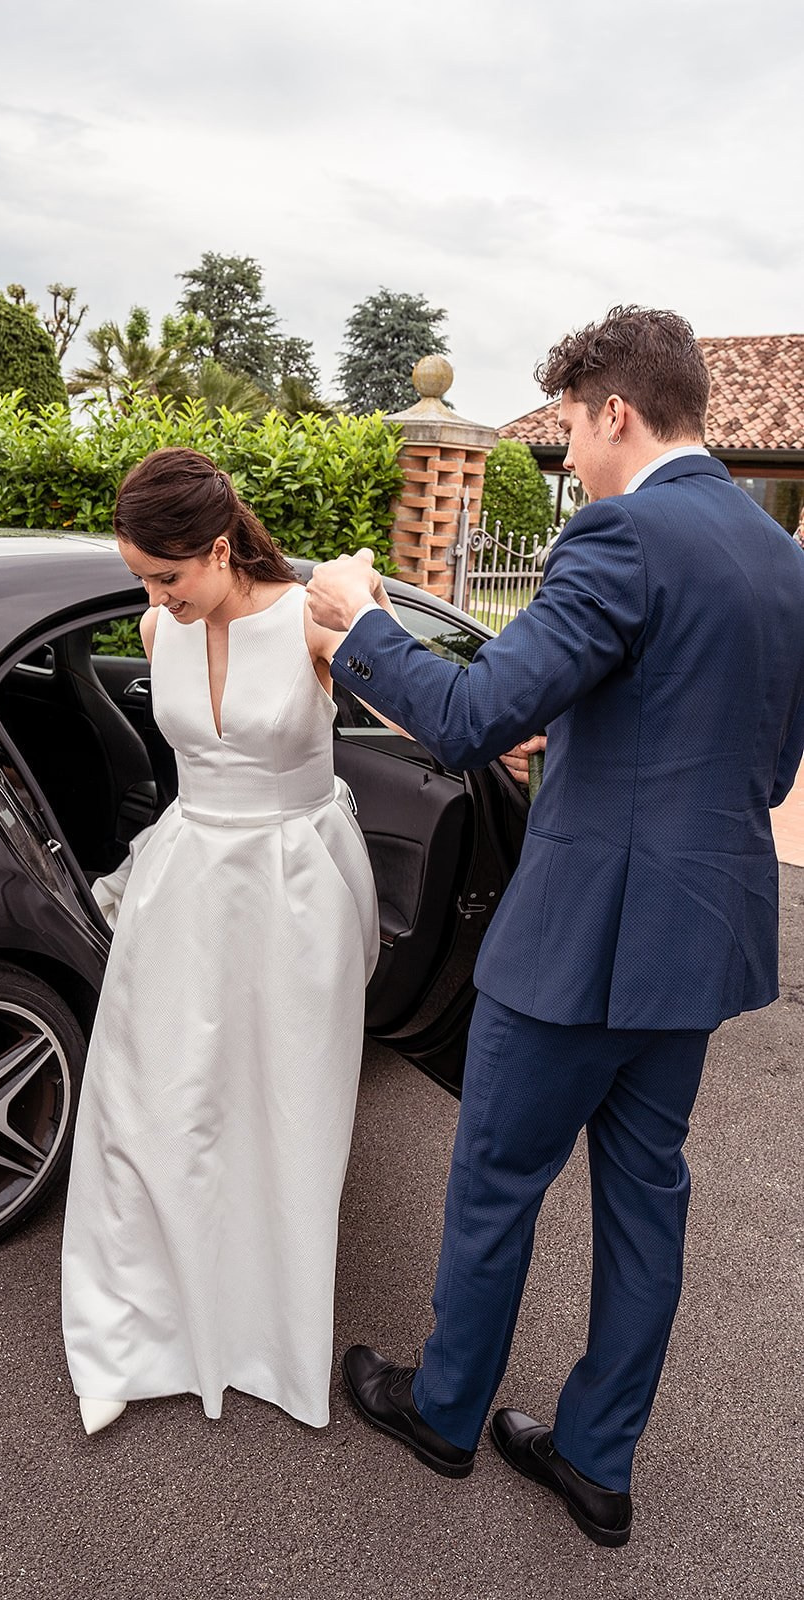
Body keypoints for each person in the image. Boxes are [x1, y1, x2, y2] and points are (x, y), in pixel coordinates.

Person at [306, 306, 804, 1547]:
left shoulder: (618, 533)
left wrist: (358, 621)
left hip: (583, 935)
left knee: (493, 1183)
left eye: (572, 430)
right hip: (702, 935)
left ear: (615, 412)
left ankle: (442, 1410)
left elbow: (469, 716)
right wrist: (587, 752)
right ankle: (594, 1461)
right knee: (646, 1197)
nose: (567, 456)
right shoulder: (780, 558)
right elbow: (764, 760)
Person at [61, 446, 382, 1434]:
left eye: (166, 576)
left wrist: (364, 590)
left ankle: (269, 1337)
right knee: (150, 1101)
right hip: (184, 884)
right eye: (140, 581)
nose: (153, 598)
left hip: (293, 893)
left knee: (282, 1108)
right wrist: (158, 604)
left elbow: (411, 704)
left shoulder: (308, 621)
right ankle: (142, 1324)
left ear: (216, 544)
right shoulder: (160, 626)